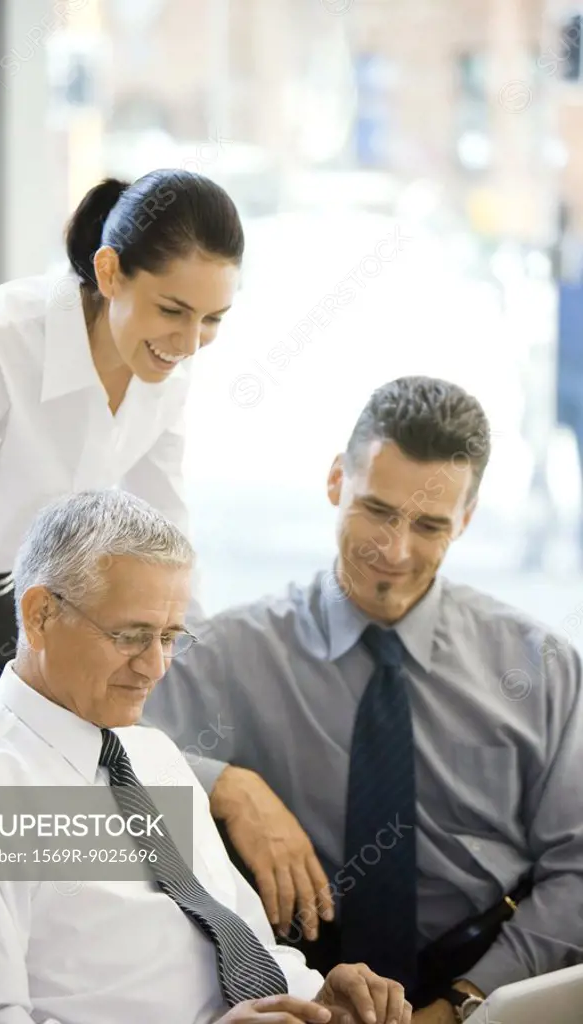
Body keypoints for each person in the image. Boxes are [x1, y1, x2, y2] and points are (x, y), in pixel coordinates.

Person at [143, 376, 583, 1022]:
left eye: (429, 524)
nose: (394, 551)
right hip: (305, 992)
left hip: (485, 988)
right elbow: (101, 760)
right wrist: (221, 783)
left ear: (464, 520)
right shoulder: (230, 653)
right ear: (334, 483)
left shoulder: (540, 669)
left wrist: (461, 1005)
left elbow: (577, 864)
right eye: (377, 510)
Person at [0, 489, 411, 1024]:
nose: (157, 667)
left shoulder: (152, 753)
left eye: (170, 637)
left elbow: (244, 943)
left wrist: (318, 998)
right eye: (131, 636)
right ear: (40, 614)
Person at [0, 169, 242, 773]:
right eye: (173, 310)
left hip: (22, 593)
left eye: (212, 319)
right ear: (109, 273)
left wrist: (220, 701)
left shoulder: (165, 363)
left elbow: (169, 534)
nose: (189, 342)